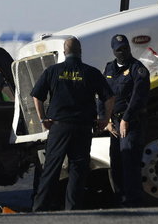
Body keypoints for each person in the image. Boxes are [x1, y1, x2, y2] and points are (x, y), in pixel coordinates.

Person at [31, 36, 114, 212]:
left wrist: (43, 118)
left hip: (59, 127)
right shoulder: (91, 72)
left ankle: (39, 208)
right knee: (78, 170)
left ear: (64, 52)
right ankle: (73, 209)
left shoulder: (52, 71)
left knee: (51, 168)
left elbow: (36, 95)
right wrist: (105, 119)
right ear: (80, 52)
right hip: (83, 128)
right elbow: (109, 97)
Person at [103, 34, 150, 207]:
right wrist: (106, 120)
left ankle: (133, 201)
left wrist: (126, 119)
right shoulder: (109, 69)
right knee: (116, 162)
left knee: (129, 160)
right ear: (114, 51)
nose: (123, 52)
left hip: (131, 123)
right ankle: (120, 199)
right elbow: (103, 95)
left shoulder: (138, 69)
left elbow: (139, 97)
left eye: (125, 49)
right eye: (119, 50)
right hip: (114, 124)